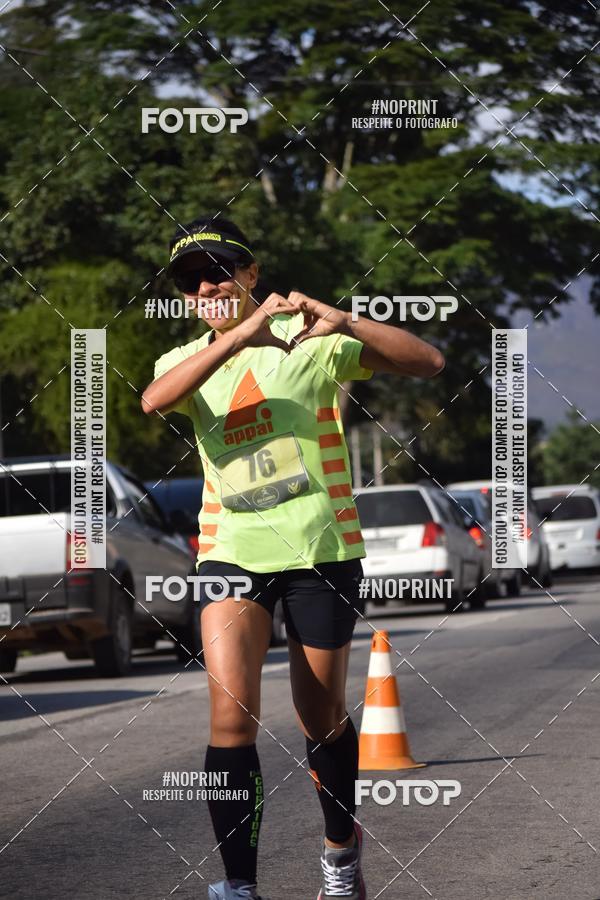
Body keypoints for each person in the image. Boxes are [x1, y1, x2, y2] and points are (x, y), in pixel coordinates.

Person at [141, 216, 444, 900]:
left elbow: (428, 362)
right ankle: (238, 886)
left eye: (220, 271)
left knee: (322, 715)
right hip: (230, 555)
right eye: (191, 281)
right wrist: (240, 334)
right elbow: (154, 401)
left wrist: (344, 319)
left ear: (251, 274)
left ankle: (340, 851)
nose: (207, 287)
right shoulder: (183, 362)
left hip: (319, 551)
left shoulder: (314, 344)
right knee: (230, 717)